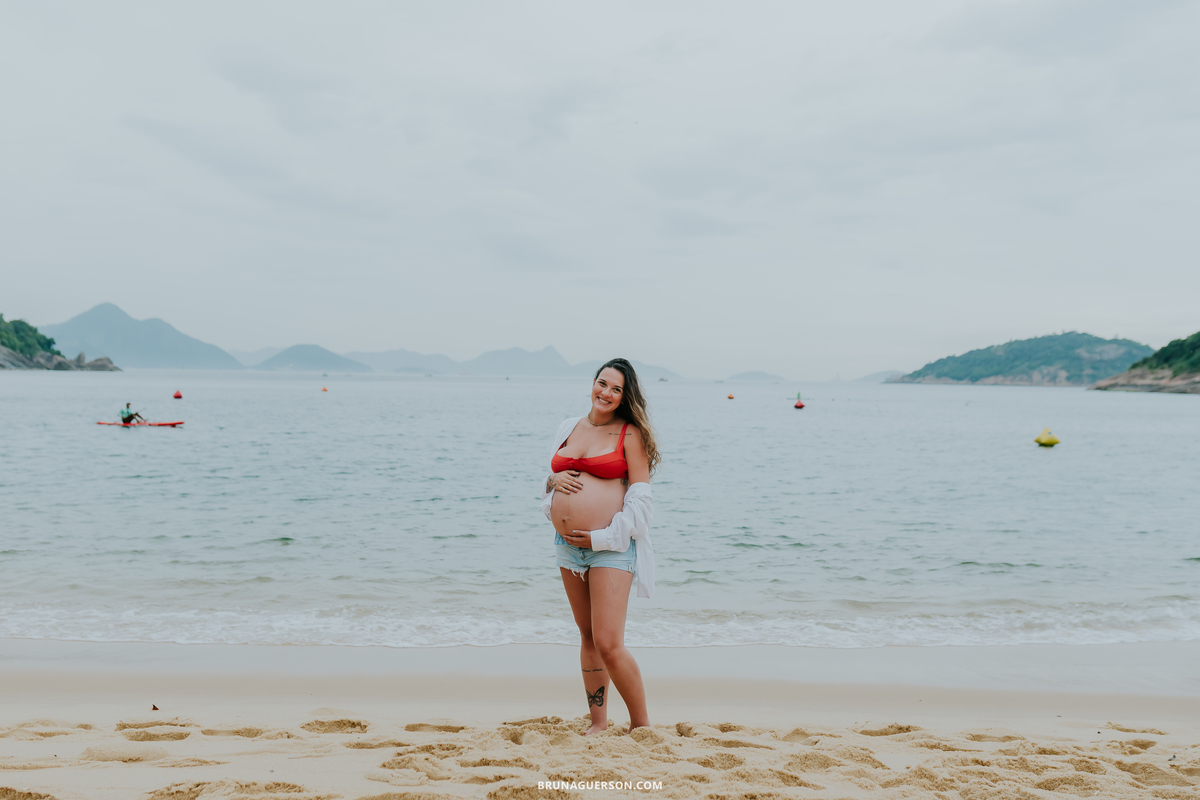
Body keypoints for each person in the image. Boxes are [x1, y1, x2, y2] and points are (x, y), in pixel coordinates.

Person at [540, 358, 660, 735]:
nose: (606, 393)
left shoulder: (629, 434)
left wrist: (599, 537)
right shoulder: (568, 426)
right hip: (567, 546)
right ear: (592, 383)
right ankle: (598, 722)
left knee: (609, 642)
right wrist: (551, 483)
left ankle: (641, 726)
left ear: (625, 396)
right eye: (602, 383)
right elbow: (550, 483)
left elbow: (641, 507)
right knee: (588, 637)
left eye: (616, 389)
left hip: (610, 547)